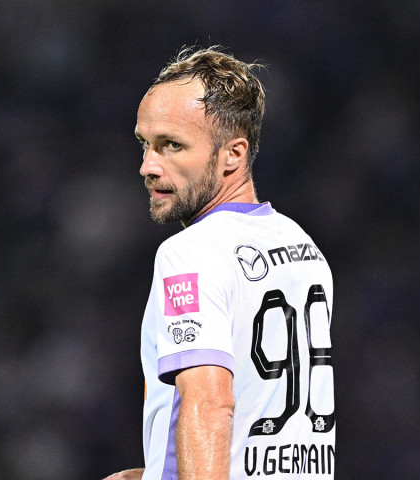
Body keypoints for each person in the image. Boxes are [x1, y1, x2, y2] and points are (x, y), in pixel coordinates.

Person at [104, 46, 335, 480]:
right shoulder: (303, 247)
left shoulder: (190, 252)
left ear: (234, 154)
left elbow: (209, 404)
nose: (148, 166)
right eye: (145, 144)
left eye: (172, 145)